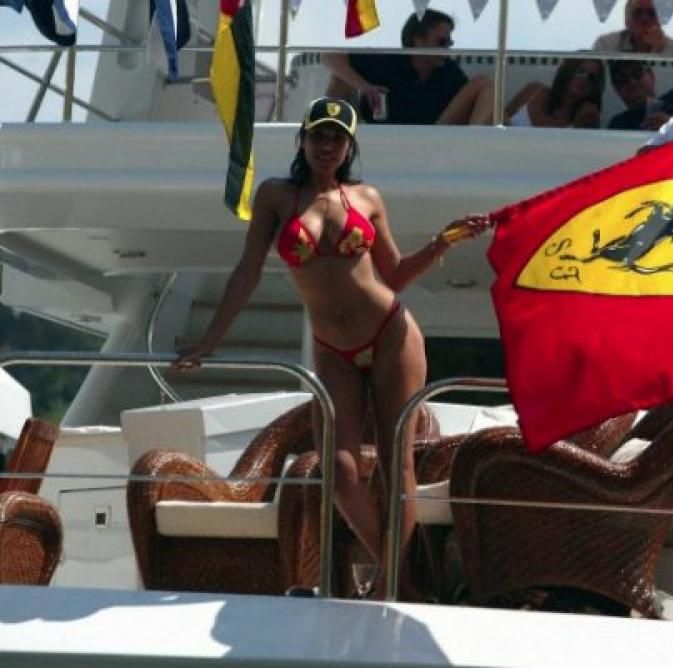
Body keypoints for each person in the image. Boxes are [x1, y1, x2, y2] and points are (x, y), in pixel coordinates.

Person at [174, 98, 490, 598]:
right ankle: (405, 581)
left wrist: (443, 241)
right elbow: (247, 271)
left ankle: (391, 586)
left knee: (396, 462)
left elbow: (395, 275)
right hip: (332, 347)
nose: (327, 145)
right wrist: (210, 340)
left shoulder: (367, 197)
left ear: (349, 147)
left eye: (337, 138)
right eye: (318, 134)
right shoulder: (276, 196)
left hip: (390, 333)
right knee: (338, 472)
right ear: (302, 139)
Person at [325, 9, 494, 125]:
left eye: (449, 43)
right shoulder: (388, 62)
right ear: (417, 40)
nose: (447, 49)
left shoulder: (449, 72)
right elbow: (329, 56)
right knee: (339, 79)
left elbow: (477, 107)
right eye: (441, 42)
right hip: (381, 137)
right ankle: (332, 140)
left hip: (433, 139)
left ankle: (473, 149)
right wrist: (364, 86)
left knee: (482, 83)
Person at [504, 58, 605, 129]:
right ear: (568, 70)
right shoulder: (534, 91)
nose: (584, 79)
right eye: (580, 71)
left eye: (591, 77)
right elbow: (501, 118)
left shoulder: (586, 115)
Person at [607, 59, 673, 131]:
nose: (632, 82)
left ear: (651, 76)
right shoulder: (618, 125)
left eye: (637, 74)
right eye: (623, 80)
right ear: (616, 89)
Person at [592, 0, 673, 56]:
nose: (644, 19)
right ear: (627, 21)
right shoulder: (606, 45)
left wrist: (658, 50)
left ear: (660, 20)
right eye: (638, 13)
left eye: (651, 13)